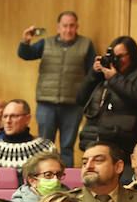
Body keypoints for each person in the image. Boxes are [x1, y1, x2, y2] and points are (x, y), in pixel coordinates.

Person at [18, 12, 95, 166]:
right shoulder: (46, 43)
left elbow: (91, 74)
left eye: (72, 26)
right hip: (46, 103)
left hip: (73, 105)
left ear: (77, 27)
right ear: (58, 27)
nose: (68, 30)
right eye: (65, 26)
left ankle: (66, 181)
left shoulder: (86, 44)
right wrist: (25, 41)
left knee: (67, 147)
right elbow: (26, 54)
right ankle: (43, 177)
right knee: (45, 147)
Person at [77, 35, 137, 157]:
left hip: (129, 143)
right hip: (100, 140)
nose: (116, 60)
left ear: (133, 55)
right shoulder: (103, 75)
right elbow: (80, 98)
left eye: (120, 56)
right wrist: (94, 74)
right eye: (113, 57)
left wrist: (114, 78)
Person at [0, 100, 55, 171]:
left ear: (27, 119)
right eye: (5, 116)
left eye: (13, 116)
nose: (8, 121)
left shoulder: (46, 147)